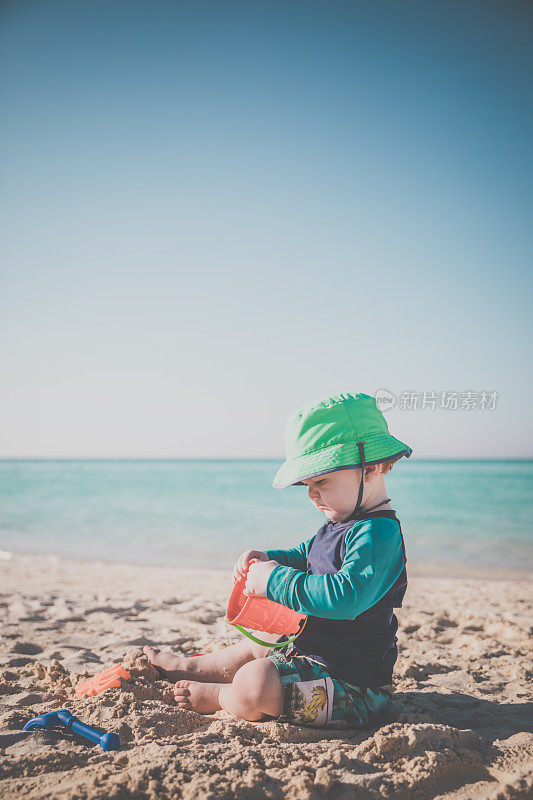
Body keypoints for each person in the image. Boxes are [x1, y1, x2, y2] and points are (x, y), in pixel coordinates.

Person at [144, 391, 412, 728]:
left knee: (257, 683)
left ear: (369, 468)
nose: (312, 494)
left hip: (353, 689)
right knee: (264, 643)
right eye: (306, 485)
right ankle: (193, 666)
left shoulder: (378, 534)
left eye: (322, 481)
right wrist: (269, 558)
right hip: (312, 654)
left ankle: (219, 697)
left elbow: (347, 597)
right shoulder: (342, 522)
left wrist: (274, 581)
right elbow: (306, 555)